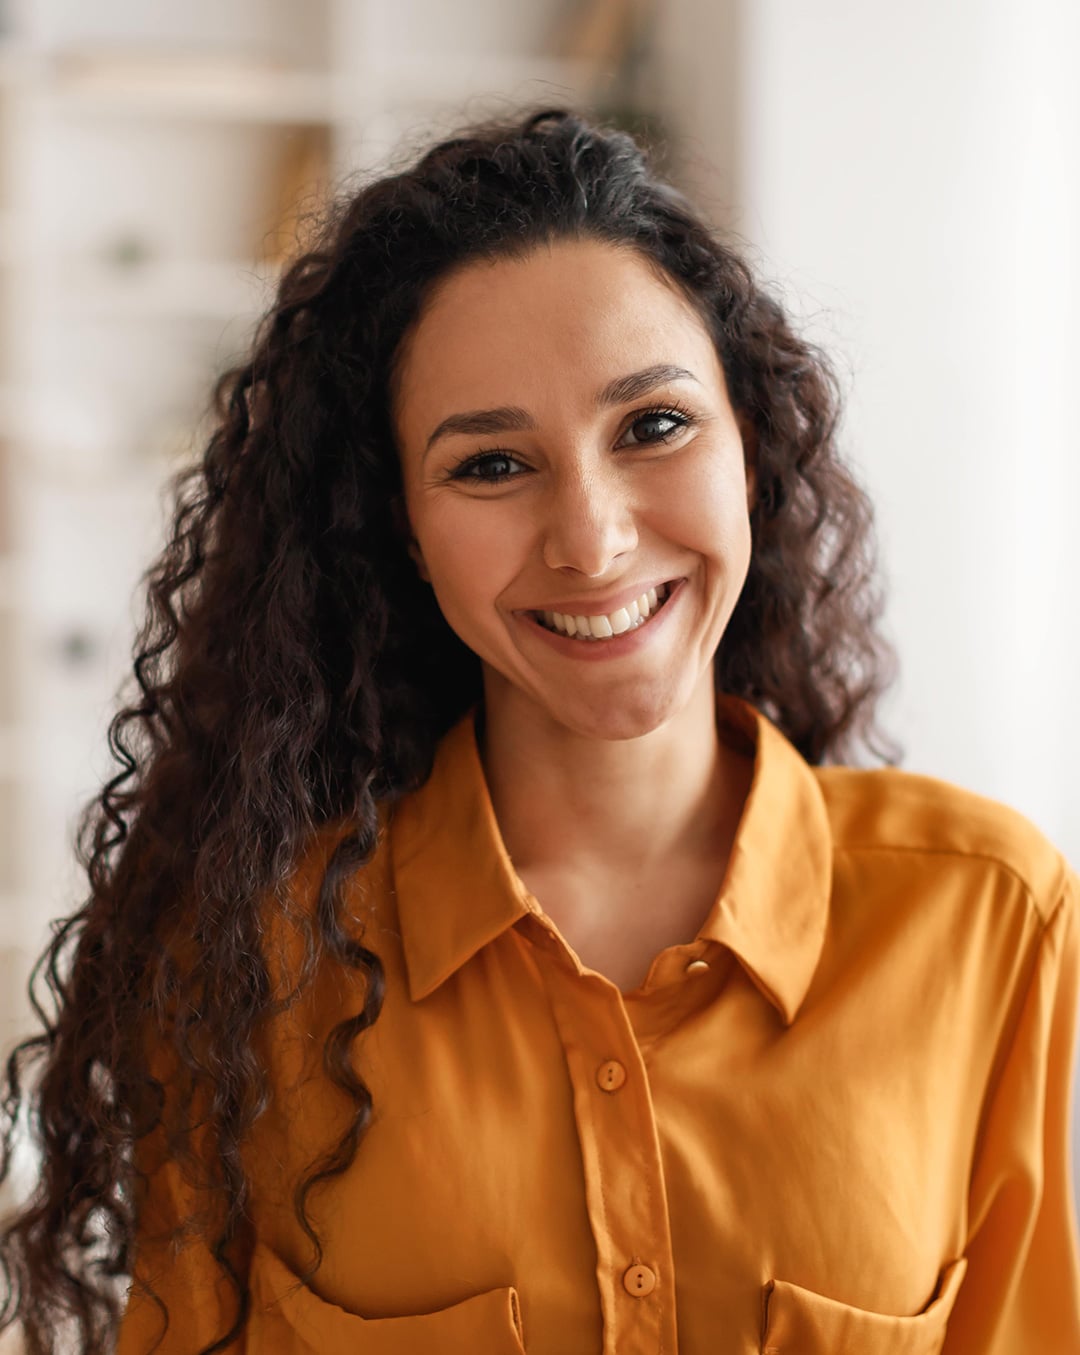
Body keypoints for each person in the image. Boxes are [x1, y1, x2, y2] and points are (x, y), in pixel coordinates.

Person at [0, 107, 1077, 1355]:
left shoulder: (990, 916)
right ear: (398, 527)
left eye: (654, 426)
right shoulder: (252, 958)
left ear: (750, 447)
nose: (593, 538)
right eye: (492, 466)